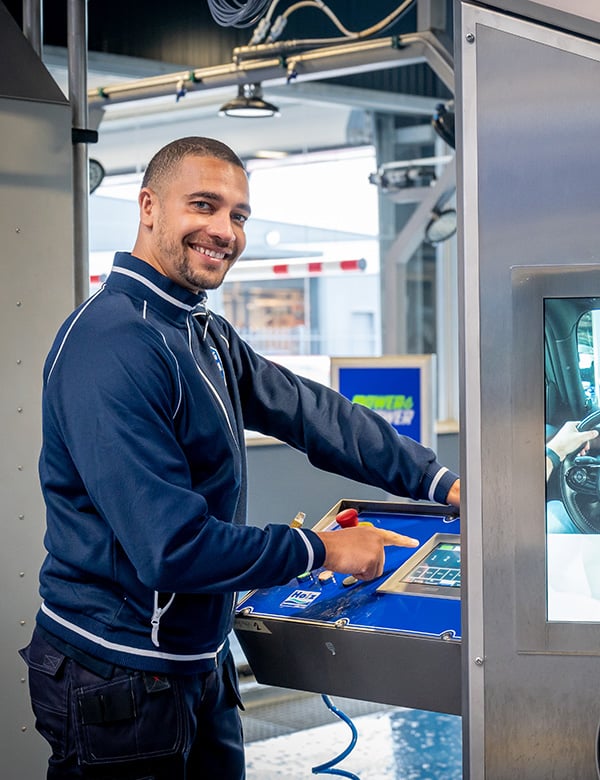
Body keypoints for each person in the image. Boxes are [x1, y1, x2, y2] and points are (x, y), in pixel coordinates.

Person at [20, 136, 460, 780]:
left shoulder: (199, 329)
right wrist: (321, 549)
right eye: (203, 206)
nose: (224, 231)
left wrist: (439, 481)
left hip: (194, 661)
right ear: (148, 206)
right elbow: (172, 548)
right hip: (118, 674)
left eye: (238, 215)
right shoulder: (113, 344)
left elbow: (311, 412)